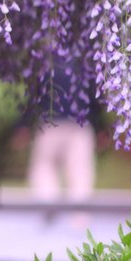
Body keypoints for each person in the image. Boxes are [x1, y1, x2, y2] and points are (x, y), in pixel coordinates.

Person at [28, 62, 96, 232]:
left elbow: (33, 97)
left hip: (51, 123)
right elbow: (94, 100)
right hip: (78, 124)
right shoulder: (84, 64)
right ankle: (79, 217)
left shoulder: (46, 64)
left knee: (44, 166)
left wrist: (23, 125)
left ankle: (49, 202)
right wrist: (99, 126)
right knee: (79, 172)